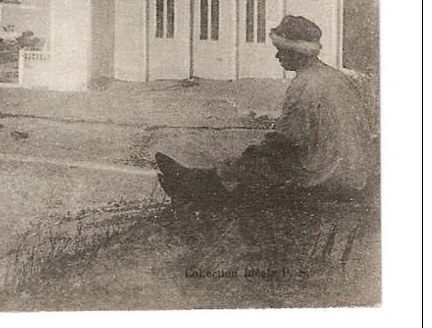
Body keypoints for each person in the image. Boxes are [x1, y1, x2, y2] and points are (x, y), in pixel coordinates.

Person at [155, 15, 377, 206]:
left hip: (330, 174)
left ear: (297, 52)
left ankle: (195, 185)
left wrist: (248, 157)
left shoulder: (306, 84)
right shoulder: (333, 76)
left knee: (257, 165)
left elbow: (287, 139)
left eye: (282, 51)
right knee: (260, 161)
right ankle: (196, 180)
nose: (277, 57)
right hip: (354, 169)